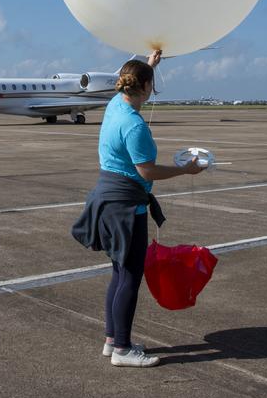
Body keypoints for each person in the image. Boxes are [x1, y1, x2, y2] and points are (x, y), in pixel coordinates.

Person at [71, 50, 204, 367]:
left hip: (107, 199)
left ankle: (112, 340)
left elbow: (129, 79)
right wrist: (185, 170)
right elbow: (147, 171)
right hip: (125, 207)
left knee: (119, 273)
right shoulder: (134, 126)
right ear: (145, 87)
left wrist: (149, 63)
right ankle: (122, 350)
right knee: (130, 275)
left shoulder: (115, 105)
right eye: (151, 82)